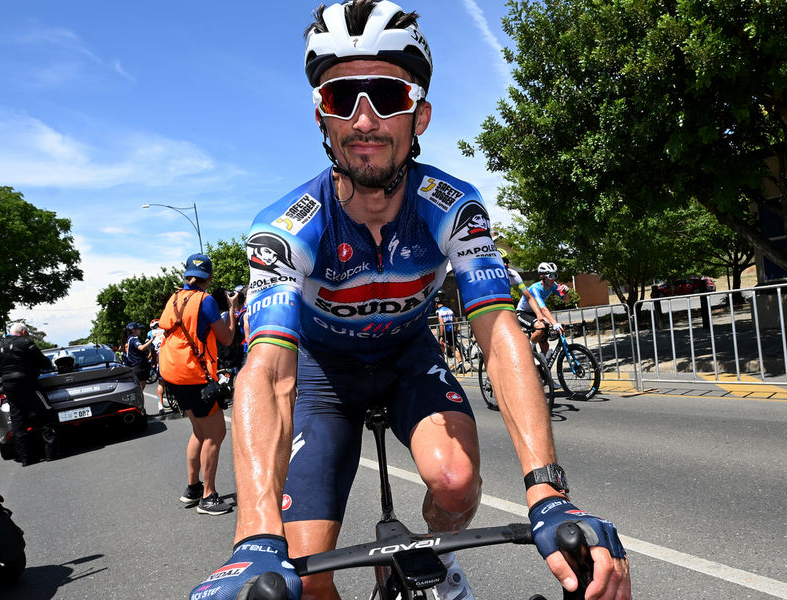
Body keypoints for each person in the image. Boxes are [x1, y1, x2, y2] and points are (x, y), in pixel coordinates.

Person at [193, 2, 630, 600]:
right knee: (301, 571)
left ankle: (440, 565)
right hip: (324, 377)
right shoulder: (285, 229)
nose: (364, 119)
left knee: (455, 481)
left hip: (407, 361)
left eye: (386, 96)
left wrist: (547, 491)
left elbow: (499, 332)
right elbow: (267, 373)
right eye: (342, 97)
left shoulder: (454, 206)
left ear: (419, 115)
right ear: (322, 117)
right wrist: (253, 535)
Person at [158, 253, 240, 516]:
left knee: (199, 432)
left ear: (186, 275)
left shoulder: (173, 299)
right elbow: (226, 339)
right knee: (215, 434)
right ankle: (208, 497)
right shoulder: (205, 301)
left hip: (173, 375)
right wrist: (232, 311)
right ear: (210, 277)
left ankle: (193, 488)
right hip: (195, 376)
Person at [0, 322, 56, 465]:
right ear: (23, 332)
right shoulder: (26, 342)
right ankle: (50, 453)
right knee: (48, 414)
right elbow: (43, 362)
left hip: (9, 386)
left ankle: (25, 458)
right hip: (27, 384)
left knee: (18, 421)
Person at [516, 262, 571, 356]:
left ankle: (543, 363)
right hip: (523, 313)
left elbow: (567, 301)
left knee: (544, 342)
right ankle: (528, 352)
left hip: (535, 312)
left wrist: (566, 293)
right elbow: (543, 309)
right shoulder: (535, 289)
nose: (553, 278)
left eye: (555, 275)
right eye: (551, 276)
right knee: (540, 327)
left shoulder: (553, 285)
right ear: (542, 277)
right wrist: (555, 323)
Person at [433, 295, 465, 373]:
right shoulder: (449, 310)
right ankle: (461, 365)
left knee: (442, 350)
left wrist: (441, 335)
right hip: (451, 332)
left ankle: (444, 368)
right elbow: (456, 321)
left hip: (444, 332)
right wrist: (456, 330)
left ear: (436, 304)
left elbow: (441, 324)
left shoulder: (438, 311)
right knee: (454, 348)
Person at [123, 323, 152, 390]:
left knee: (137, 386)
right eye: (139, 328)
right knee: (140, 387)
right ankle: (137, 399)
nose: (140, 330)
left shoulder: (129, 339)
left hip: (133, 366)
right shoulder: (134, 339)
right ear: (133, 330)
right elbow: (141, 348)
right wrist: (152, 339)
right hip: (138, 366)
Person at [146, 319, 166, 411]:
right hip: (173, 358)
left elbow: (152, 351)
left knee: (161, 383)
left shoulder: (150, 333)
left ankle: (160, 404)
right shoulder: (166, 329)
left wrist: (154, 363)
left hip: (161, 360)